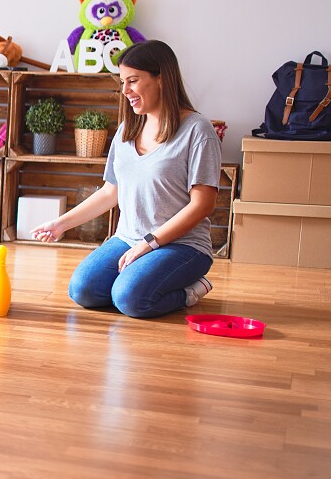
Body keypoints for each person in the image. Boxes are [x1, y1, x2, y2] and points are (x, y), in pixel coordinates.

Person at [31, 40, 221, 318]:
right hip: (128, 238)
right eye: (122, 82)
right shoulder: (126, 131)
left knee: (129, 298)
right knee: (83, 290)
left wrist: (149, 243)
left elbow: (202, 204)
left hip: (183, 245)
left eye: (133, 81)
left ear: (162, 78)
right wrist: (60, 224)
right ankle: (142, 280)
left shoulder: (197, 130)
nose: (125, 91)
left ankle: (191, 290)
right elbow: (111, 192)